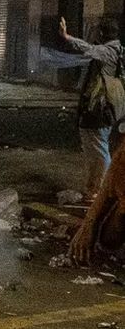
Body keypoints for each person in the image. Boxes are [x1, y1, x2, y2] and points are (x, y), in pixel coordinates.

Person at [59, 16, 125, 199]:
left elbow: (89, 50)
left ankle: (102, 190)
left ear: (103, 33)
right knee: (94, 148)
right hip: (104, 107)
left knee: (98, 149)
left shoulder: (108, 51)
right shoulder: (117, 50)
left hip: (100, 108)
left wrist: (67, 37)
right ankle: (95, 188)